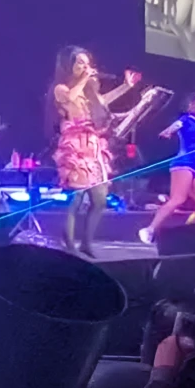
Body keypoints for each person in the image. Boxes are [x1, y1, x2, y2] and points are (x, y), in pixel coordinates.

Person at [50, 46, 142, 257]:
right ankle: (70, 244)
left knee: (100, 199)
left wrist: (126, 86)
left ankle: (87, 242)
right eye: (80, 62)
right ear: (69, 65)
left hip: (94, 147)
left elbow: (105, 100)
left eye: (87, 62)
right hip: (75, 147)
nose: (86, 66)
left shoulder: (90, 93)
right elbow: (70, 99)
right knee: (75, 199)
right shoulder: (61, 88)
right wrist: (84, 80)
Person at [141, 92, 195, 245]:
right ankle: (149, 229)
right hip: (183, 164)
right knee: (177, 199)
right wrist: (169, 131)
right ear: (191, 105)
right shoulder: (187, 119)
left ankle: (186, 234)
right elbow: (177, 125)